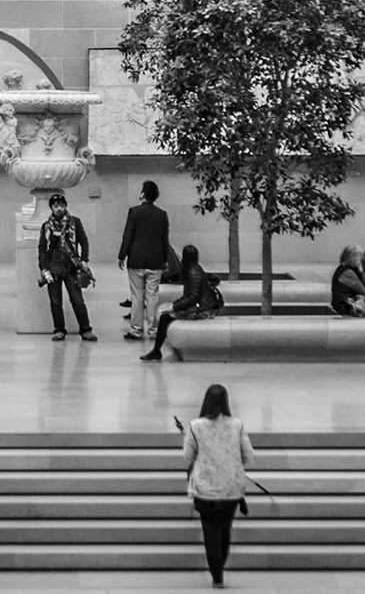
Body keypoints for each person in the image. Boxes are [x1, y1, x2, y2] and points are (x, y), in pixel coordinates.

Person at [181, 384, 255, 590]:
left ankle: (217, 577)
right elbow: (248, 456)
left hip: (206, 490)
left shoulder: (196, 426)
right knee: (225, 530)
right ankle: (220, 567)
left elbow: (188, 456)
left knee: (210, 533)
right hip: (232, 488)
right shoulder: (237, 425)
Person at [142, 244, 219, 361]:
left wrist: (175, 306)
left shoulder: (193, 272)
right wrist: (177, 305)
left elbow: (193, 297)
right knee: (165, 317)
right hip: (202, 306)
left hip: (204, 310)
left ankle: (156, 351)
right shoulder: (194, 269)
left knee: (165, 317)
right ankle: (156, 351)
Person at [36, 193, 95, 342]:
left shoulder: (75, 222)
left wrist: (84, 260)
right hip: (53, 268)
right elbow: (42, 249)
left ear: (66, 206)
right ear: (51, 208)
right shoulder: (46, 227)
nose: (59, 208)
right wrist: (43, 268)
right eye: (56, 206)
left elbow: (84, 241)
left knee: (78, 300)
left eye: (61, 205)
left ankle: (86, 329)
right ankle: (59, 329)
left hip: (71, 267)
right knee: (55, 302)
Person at [117, 180, 170, 342]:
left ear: (143, 194)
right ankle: (154, 330)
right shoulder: (162, 214)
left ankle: (136, 329)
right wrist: (165, 259)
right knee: (152, 296)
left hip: (137, 260)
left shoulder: (134, 212)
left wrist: (122, 255)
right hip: (156, 261)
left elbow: (128, 236)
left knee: (137, 296)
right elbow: (164, 239)